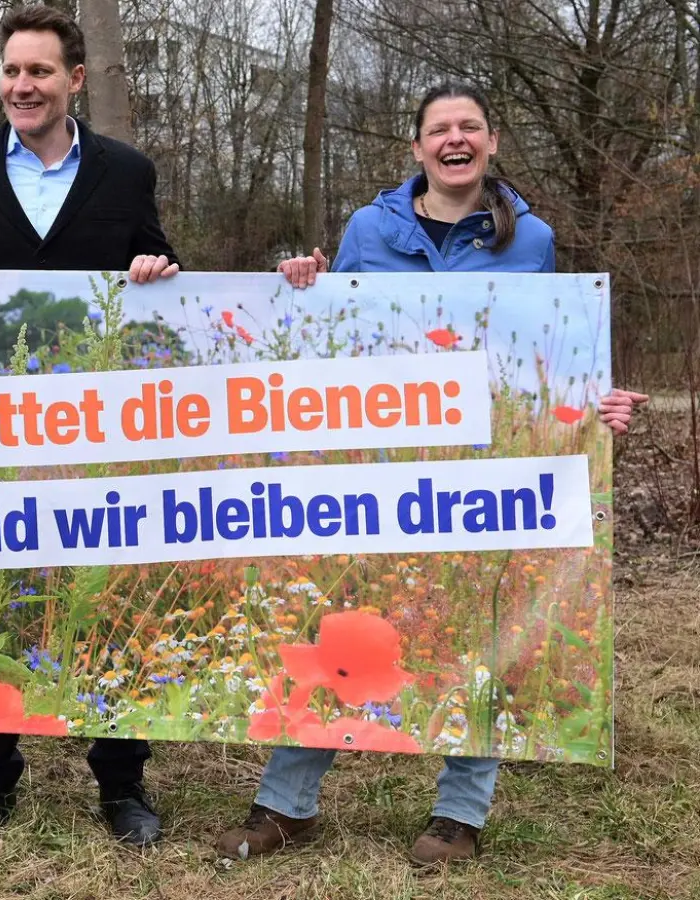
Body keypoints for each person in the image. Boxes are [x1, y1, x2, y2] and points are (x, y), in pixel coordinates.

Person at [213, 81, 648, 867]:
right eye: (439, 129)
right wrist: (299, 287)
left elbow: (552, 360)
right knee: (342, 618)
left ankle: (459, 814)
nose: (455, 139)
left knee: (485, 625)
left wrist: (599, 404)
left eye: (470, 127)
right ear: (415, 149)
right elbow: (328, 342)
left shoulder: (534, 240)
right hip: (379, 466)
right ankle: (286, 804)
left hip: (485, 472)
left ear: (492, 143)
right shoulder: (368, 230)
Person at [0, 4, 179, 847]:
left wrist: (159, 268)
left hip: (100, 428)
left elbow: (155, 267)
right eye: (12, 71)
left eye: (40, 71)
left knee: (104, 597)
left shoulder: (126, 172)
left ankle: (122, 784)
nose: (23, 85)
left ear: (74, 80)